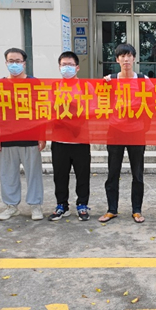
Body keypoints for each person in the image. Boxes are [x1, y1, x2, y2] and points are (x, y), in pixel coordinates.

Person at [99, 43, 149, 223]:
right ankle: (112, 209)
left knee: (137, 173)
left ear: (134, 58)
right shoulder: (110, 79)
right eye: (122, 56)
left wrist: (145, 125)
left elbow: (154, 101)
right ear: (117, 59)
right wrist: (102, 86)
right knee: (113, 172)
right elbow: (99, 101)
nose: (126, 59)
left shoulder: (143, 80)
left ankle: (137, 210)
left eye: (129, 56)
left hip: (137, 132)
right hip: (115, 131)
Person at [0, 48, 45, 222]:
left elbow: (41, 110)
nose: (14, 64)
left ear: (24, 63)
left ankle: (35, 205)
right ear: (6, 63)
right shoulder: (0, 84)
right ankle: (11, 206)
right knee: (8, 174)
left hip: (30, 136)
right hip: (7, 137)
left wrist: (42, 135)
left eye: (18, 61)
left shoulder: (34, 83)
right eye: (11, 61)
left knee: (34, 174)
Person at [49, 51, 91, 222]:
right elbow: (49, 110)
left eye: (70, 65)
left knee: (83, 174)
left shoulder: (86, 86)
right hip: (59, 138)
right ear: (59, 67)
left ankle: (82, 204)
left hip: (80, 138)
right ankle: (61, 205)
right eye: (64, 65)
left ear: (77, 67)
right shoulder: (54, 87)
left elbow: (93, 108)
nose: (67, 68)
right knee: (60, 175)